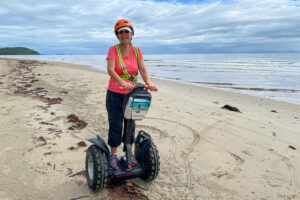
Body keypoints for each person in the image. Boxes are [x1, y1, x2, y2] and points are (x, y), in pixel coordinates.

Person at [106, 19, 156, 169]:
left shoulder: (137, 50)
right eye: (120, 32)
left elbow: (142, 69)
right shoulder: (113, 50)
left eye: (126, 31)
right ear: (117, 35)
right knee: (116, 124)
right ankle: (113, 155)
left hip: (133, 94)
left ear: (132, 34)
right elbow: (111, 70)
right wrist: (122, 83)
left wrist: (148, 83)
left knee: (131, 124)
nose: (124, 34)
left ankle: (130, 153)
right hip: (115, 94)